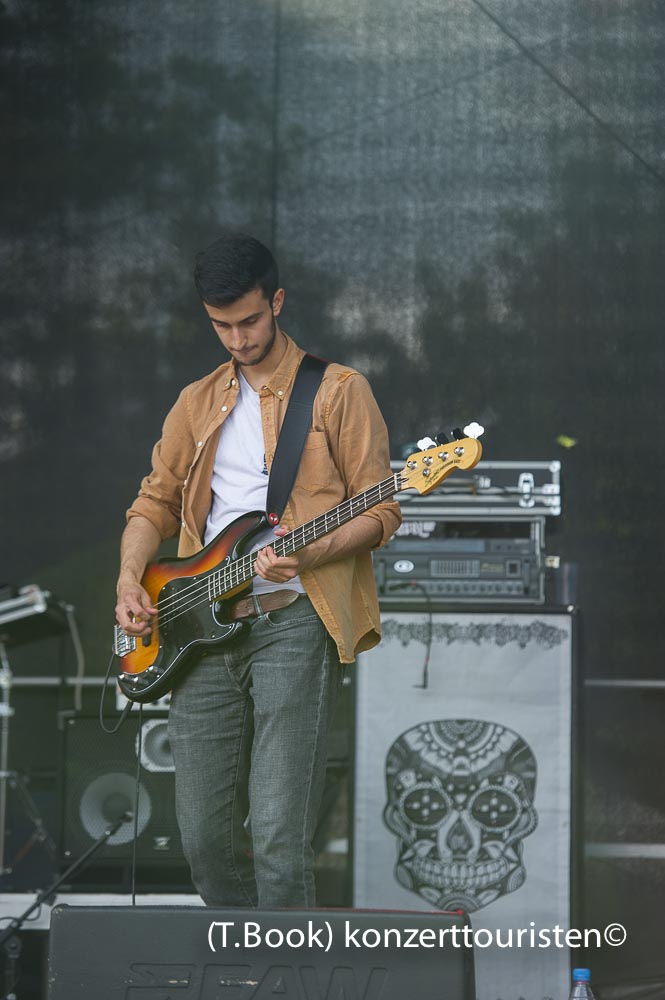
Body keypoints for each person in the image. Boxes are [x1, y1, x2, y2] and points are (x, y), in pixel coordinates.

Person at [114, 233, 401, 908]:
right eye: (221, 326)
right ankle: (245, 959)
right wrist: (129, 579)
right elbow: (153, 504)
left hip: (291, 620)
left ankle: (286, 963)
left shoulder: (337, 391)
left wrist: (312, 552)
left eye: (248, 321)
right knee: (203, 841)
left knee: (277, 837)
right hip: (194, 624)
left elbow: (381, 510)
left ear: (276, 302)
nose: (237, 339)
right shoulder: (195, 401)